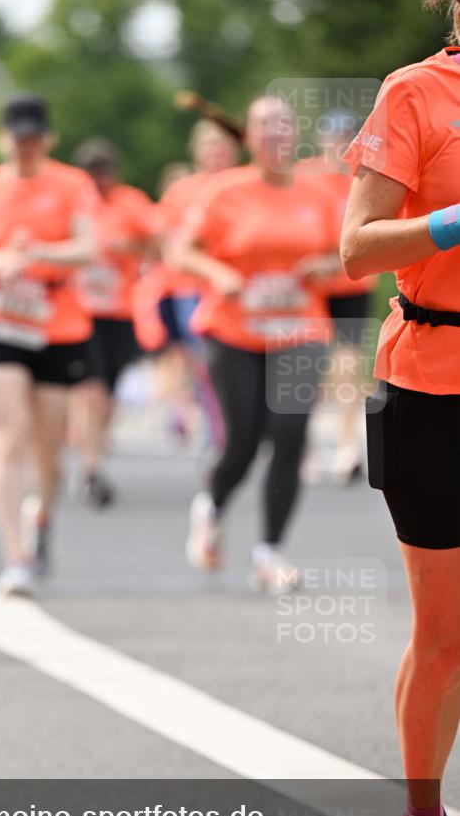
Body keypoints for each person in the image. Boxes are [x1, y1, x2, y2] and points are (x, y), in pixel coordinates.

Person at [341, 0, 459, 816]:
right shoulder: (414, 93)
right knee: (446, 636)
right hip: (432, 382)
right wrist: (455, 224)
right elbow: (354, 249)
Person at [175, 96, 339, 593]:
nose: (275, 133)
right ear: (247, 137)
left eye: (283, 124)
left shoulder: (316, 194)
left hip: (300, 329)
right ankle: (212, 505)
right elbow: (181, 249)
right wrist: (218, 272)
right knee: (242, 443)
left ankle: (269, 553)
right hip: (234, 329)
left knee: (289, 434)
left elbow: (348, 251)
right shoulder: (225, 192)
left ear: (295, 136)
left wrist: (328, 267)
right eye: (264, 125)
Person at [0, 93, 97, 596]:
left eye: (35, 140)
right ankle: (15, 556)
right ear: (3, 139)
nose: (26, 148)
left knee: (48, 450)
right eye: (18, 140)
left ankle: (41, 521)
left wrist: (39, 253)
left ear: (47, 140)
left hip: (57, 324)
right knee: (9, 433)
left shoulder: (72, 184)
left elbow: (87, 248)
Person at [133, 121, 240, 449]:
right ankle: (217, 430)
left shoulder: (244, 185)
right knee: (204, 361)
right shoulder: (182, 191)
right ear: (196, 151)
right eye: (209, 145)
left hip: (238, 289)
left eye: (222, 145)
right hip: (191, 289)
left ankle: (240, 426)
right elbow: (165, 239)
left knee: (240, 361)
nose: (216, 152)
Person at [71, 138, 154, 508]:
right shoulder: (72, 202)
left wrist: (130, 248)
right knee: (91, 392)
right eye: (92, 172)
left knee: (109, 394)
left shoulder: (132, 202)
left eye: (104, 171)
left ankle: (94, 450)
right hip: (82, 313)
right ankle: (92, 469)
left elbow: (160, 246)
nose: (99, 179)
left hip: (120, 312)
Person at [297, 111, 378, 485]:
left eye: (347, 137)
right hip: (310, 288)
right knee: (307, 368)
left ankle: (347, 446)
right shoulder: (305, 176)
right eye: (334, 137)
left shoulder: (365, 174)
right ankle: (303, 448)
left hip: (350, 283)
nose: (340, 144)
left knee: (347, 365)